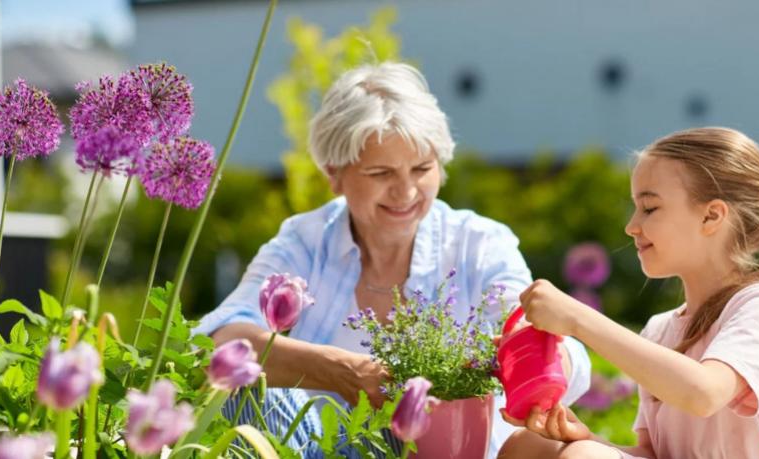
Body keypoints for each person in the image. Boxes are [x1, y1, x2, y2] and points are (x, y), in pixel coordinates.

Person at [193, 62, 590, 458]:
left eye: (422, 168)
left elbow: (541, 334)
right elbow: (219, 342)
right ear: (334, 173)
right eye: (381, 172)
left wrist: (536, 362)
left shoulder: (478, 242)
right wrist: (340, 371)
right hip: (320, 450)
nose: (406, 191)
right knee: (244, 388)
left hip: (448, 450)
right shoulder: (305, 240)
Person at [499, 127, 759, 459]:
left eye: (650, 208)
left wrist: (579, 320)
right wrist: (589, 439)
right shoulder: (660, 329)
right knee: (528, 446)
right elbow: (654, 454)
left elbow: (702, 393)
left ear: (711, 216)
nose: (631, 226)